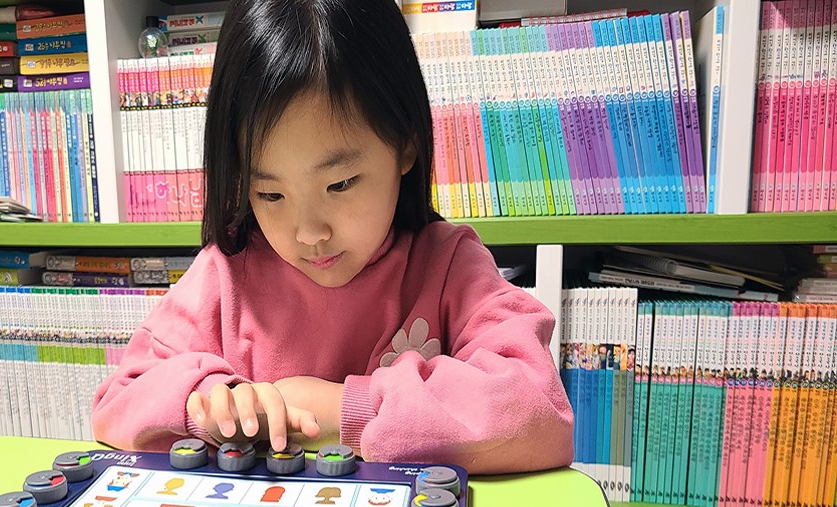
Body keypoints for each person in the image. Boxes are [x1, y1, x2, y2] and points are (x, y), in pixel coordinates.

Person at [92, 0, 574, 474]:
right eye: (270, 194)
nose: (309, 233)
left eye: (340, 184)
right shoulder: (226, 274)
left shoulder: (449, 267)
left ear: (405, 143)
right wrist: (212, 403)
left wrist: (342, 410)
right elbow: (117, 401)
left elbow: (539, 410)